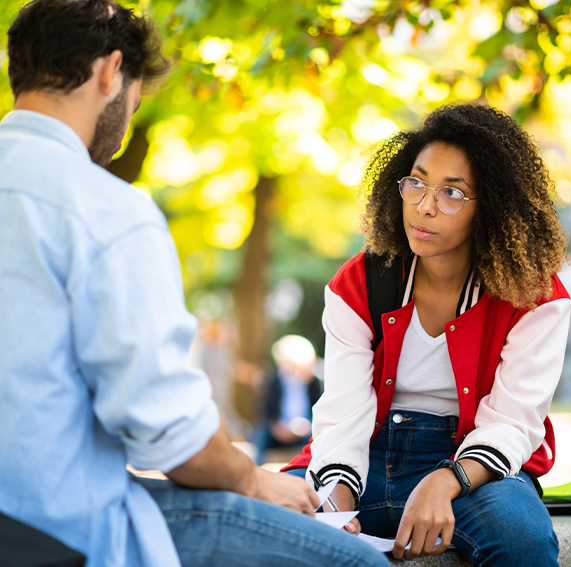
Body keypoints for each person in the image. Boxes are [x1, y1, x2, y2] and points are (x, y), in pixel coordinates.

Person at [0, 2, 390, 567]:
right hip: (65, 528)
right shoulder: (104, 209)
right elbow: (170, 436)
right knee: (362, 563)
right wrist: (258, 481)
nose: (129, 117)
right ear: (111, 72)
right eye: (135, 98)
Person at [283, 103, 571, 565]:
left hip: (476, 470)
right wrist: (334, 500)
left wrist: (446, 479)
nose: (424, 205)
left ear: (493, 206)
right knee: (271, 524)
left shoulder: (536, 295)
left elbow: (514, 422)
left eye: (452, 193)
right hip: (364, 457)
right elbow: (343, 411)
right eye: (415, 182)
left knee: (523, 541)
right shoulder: (360, 282)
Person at [254, 335, 322, 465]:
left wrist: (306, 426)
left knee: (317, 436)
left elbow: (321, 412)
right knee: (260, 434)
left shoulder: (316, 383)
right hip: (279, 430)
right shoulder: (272, 381)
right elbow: (264, 412)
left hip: (306, 431)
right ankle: (257, 470)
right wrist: (275, 427)